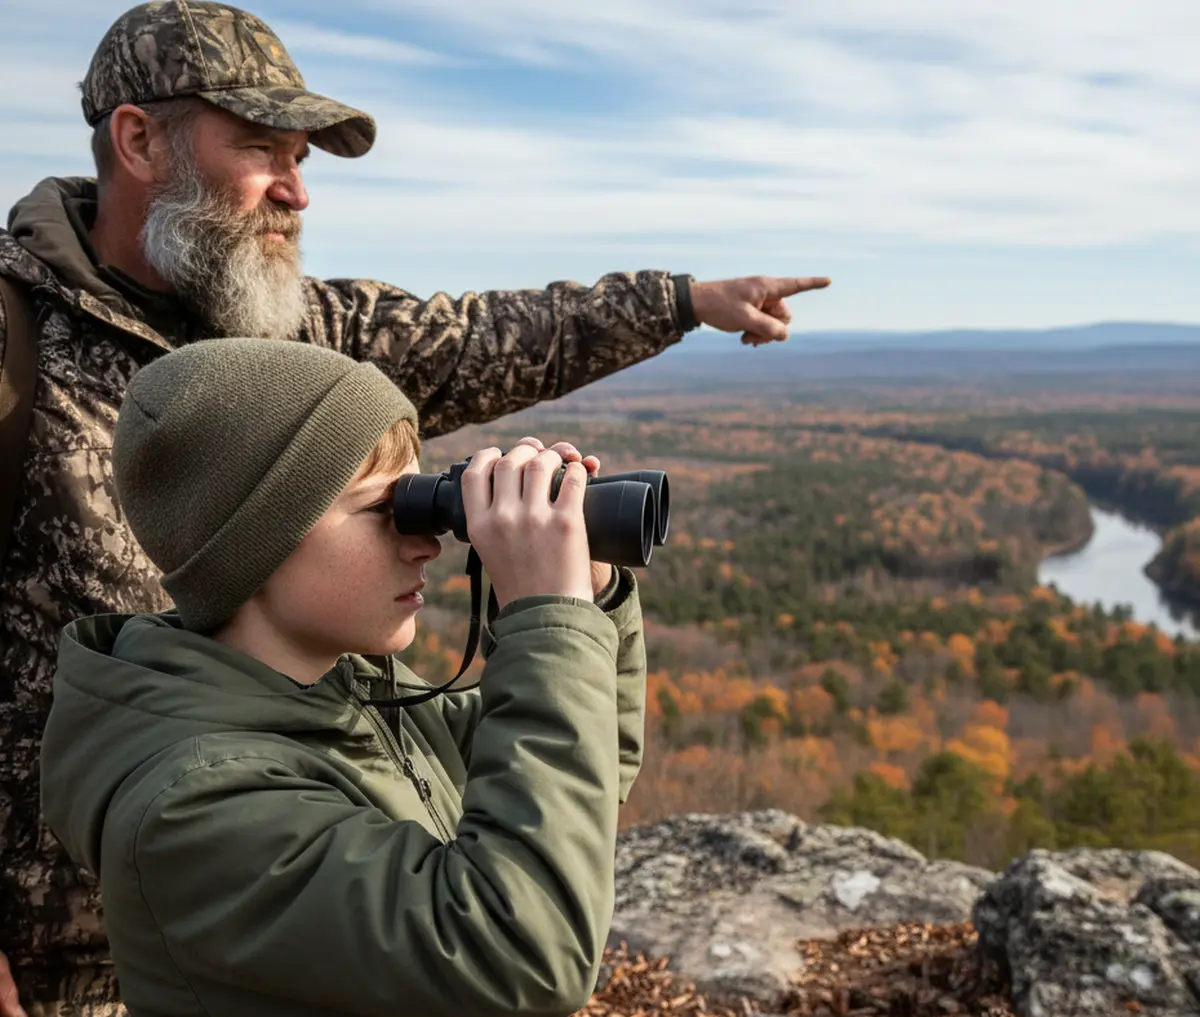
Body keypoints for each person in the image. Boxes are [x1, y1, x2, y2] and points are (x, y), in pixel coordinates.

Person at [0, 1, 828, 1011]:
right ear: (139, 141)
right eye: (260, 149)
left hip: (320, 858)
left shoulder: (298, 326)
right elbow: (515, 956)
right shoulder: (14, 338)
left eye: (302, 158)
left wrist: (681, 302)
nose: (297, 190)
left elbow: (490, 334)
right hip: (62, 933)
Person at [38, 337, 645, 1017]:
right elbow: (524, 951)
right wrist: (548, 615)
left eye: (420, 500)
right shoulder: (194, 810)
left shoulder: (355, 697)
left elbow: (585, 773)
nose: (427, 542)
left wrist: (590, 594)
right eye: (383, 509)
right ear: (255, 544)